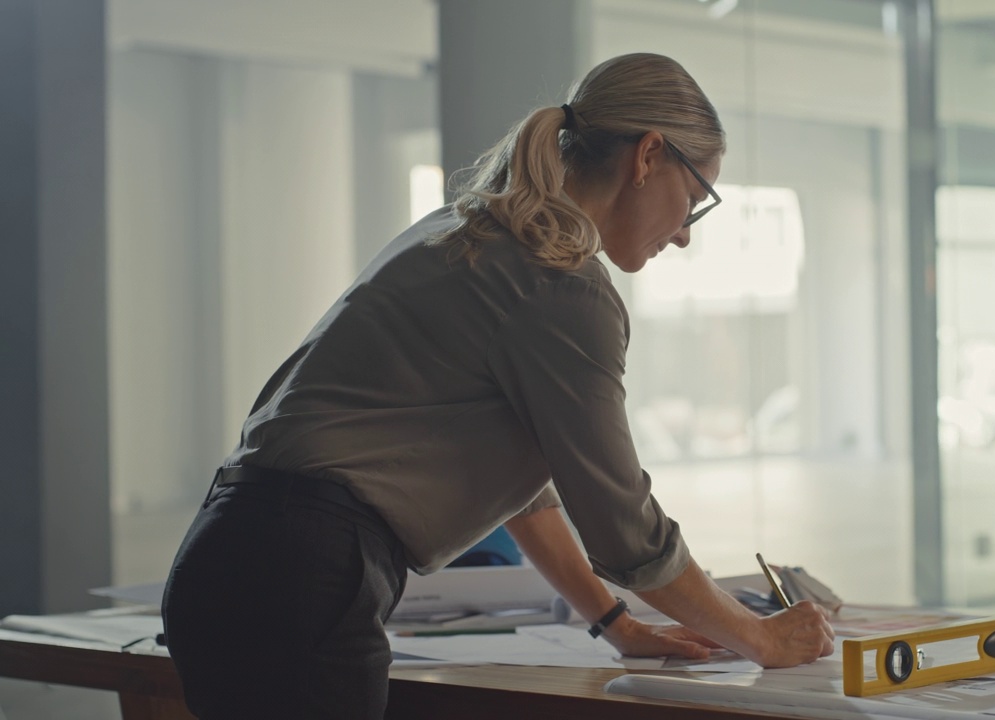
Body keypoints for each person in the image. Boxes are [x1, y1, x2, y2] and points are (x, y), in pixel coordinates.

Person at [161, 52, 835, 720]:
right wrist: (760, 638)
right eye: (693, 200)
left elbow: (528, 498)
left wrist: (615, 624)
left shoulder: (471, 230)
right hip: (303, 574)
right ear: (648, 155)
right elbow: (625, 531)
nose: (685, 235)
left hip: (237, 552)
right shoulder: (559, 282)